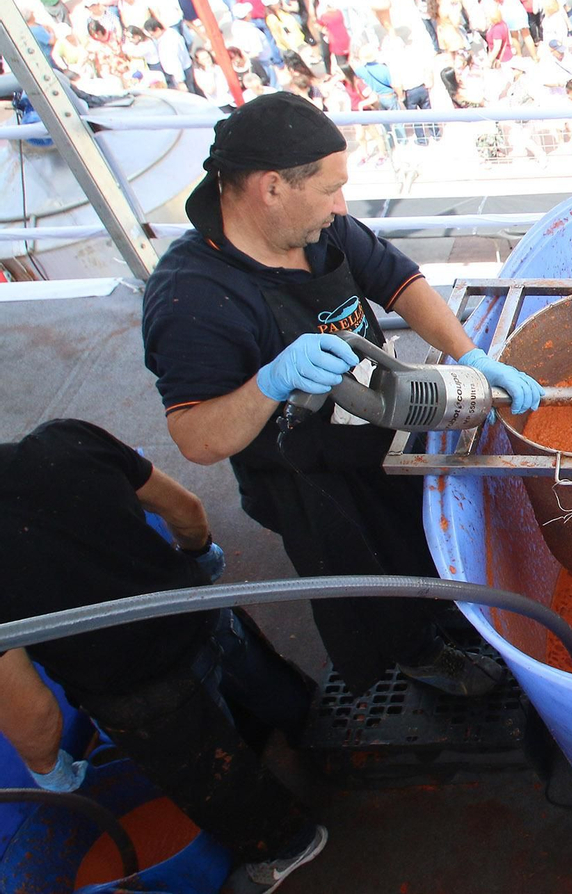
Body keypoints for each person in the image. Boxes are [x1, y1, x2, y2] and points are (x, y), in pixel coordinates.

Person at [140, 94, 542, 700]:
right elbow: (197, 439)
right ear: (272, 187)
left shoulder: (322, 232)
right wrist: (271, 381)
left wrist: (473, 356)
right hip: (303, 473)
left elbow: (401, 282)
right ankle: (417, 654)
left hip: (376, 424)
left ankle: (447, 614)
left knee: (416, 536)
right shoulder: (189, 300)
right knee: (367, 577)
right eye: (329, 190)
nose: (341, 205)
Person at [0, 419, 328, 894]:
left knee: (218, 784)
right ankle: (312, 736)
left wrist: (49, 769)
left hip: (142, 692)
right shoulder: (66, 440)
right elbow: (184, 508)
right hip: (199, 613)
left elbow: (34, 713)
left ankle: (289, 847)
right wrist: (199, 556)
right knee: (265, 687)